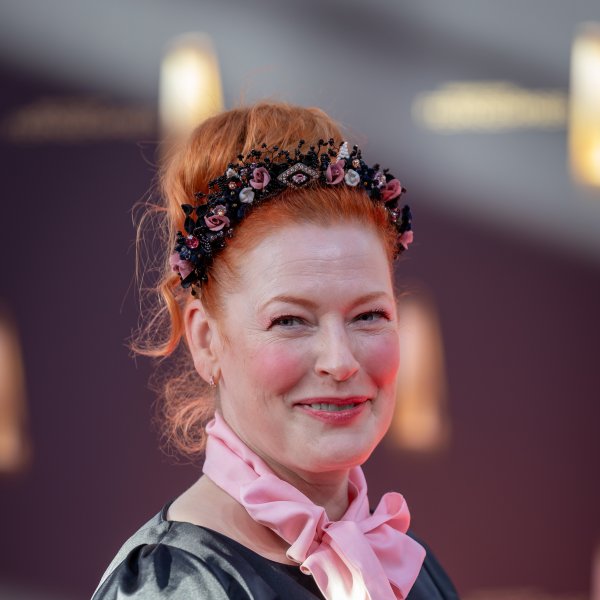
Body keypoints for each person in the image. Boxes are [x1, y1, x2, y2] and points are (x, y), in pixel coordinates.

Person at [92, 101, 460, 599]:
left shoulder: (408, 564)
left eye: (369, 315)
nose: (340, 361)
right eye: (290, 321)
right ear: (206, 340)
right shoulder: (178, 585)